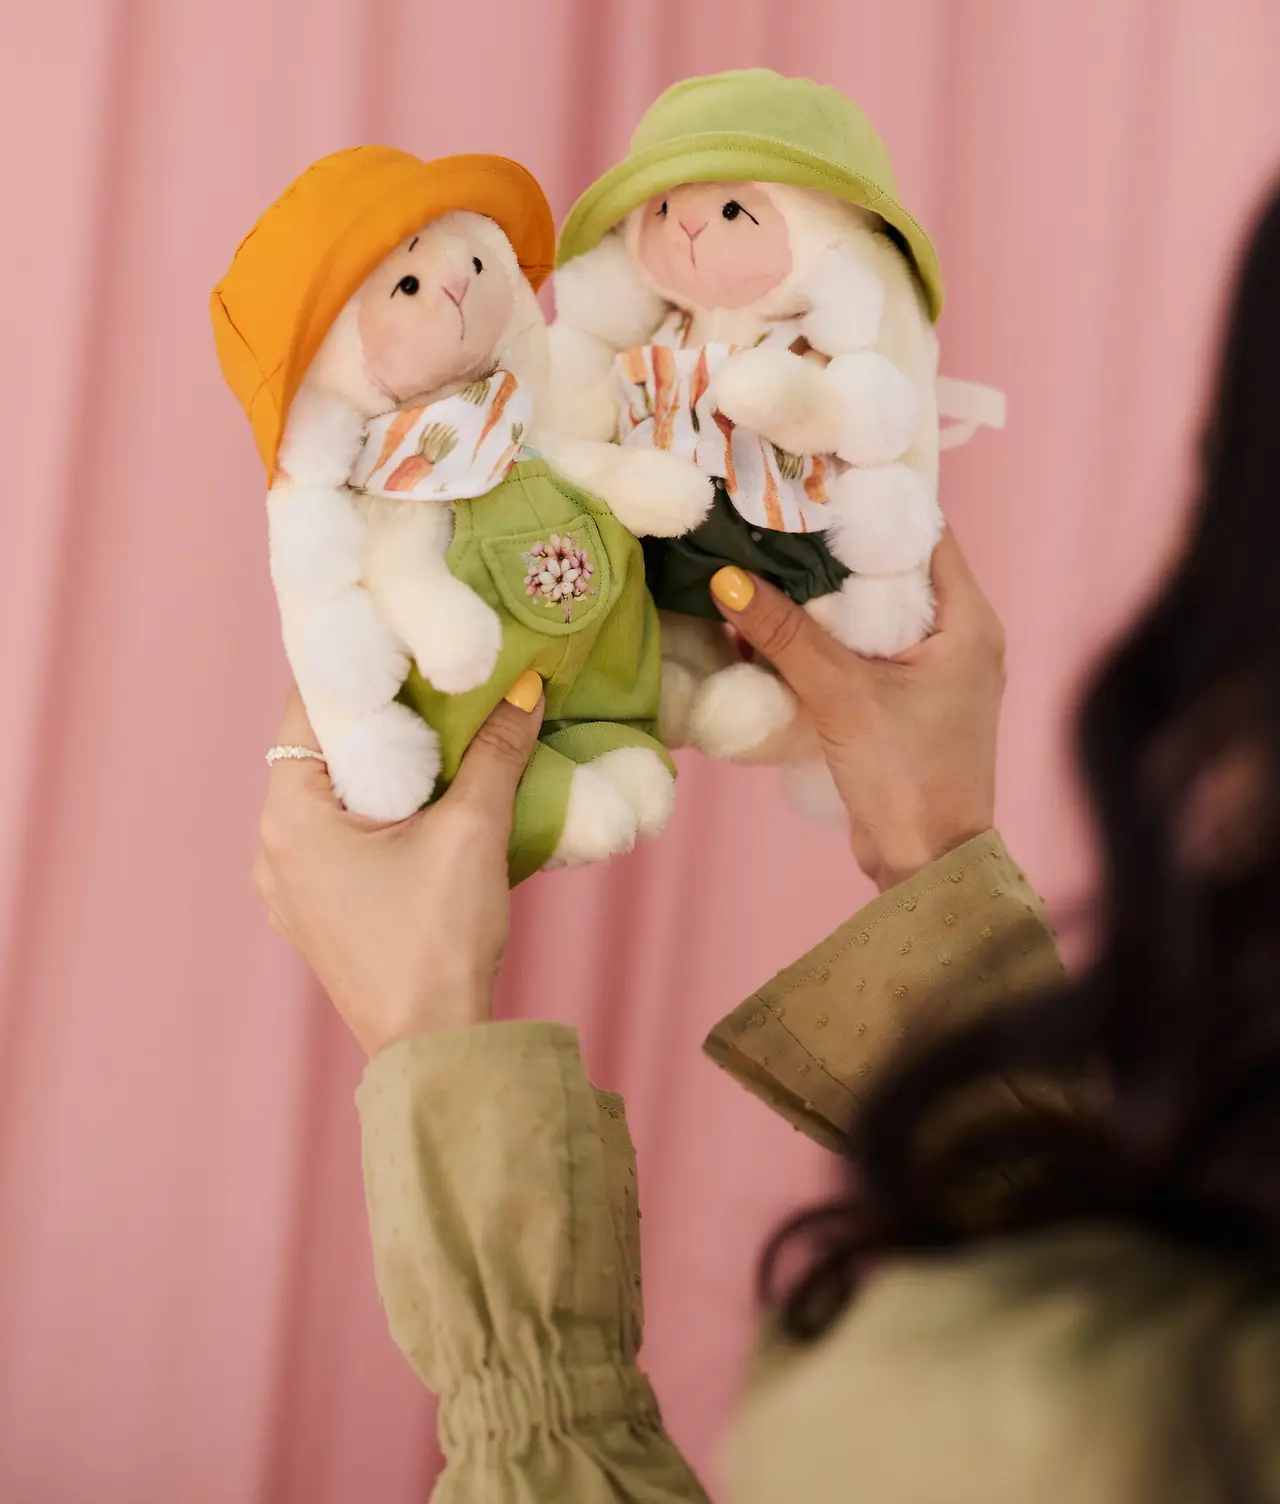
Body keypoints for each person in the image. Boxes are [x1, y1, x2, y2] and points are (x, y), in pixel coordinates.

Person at [252, 183, 1280, 1501]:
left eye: (1213, 483)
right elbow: (1088, 1276)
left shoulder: (1124, 1406)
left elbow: (1067, 1371)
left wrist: (434, 1046)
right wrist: (936, 855)